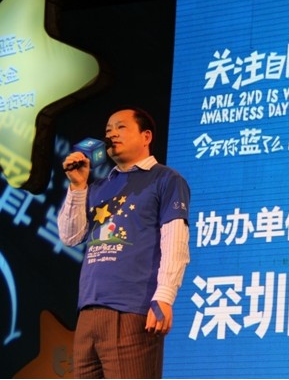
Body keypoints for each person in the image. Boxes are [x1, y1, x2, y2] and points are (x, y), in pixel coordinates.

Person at [58, 106, 191, 378]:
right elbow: (70, 236)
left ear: (146, 136)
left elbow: (175, 239)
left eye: (121, 127)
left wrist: (165, 296)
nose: (112, 134)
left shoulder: (166, 179)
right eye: (108, 130)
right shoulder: (98, 187)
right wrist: (78, 186)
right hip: (88, 313)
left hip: (132, 311)